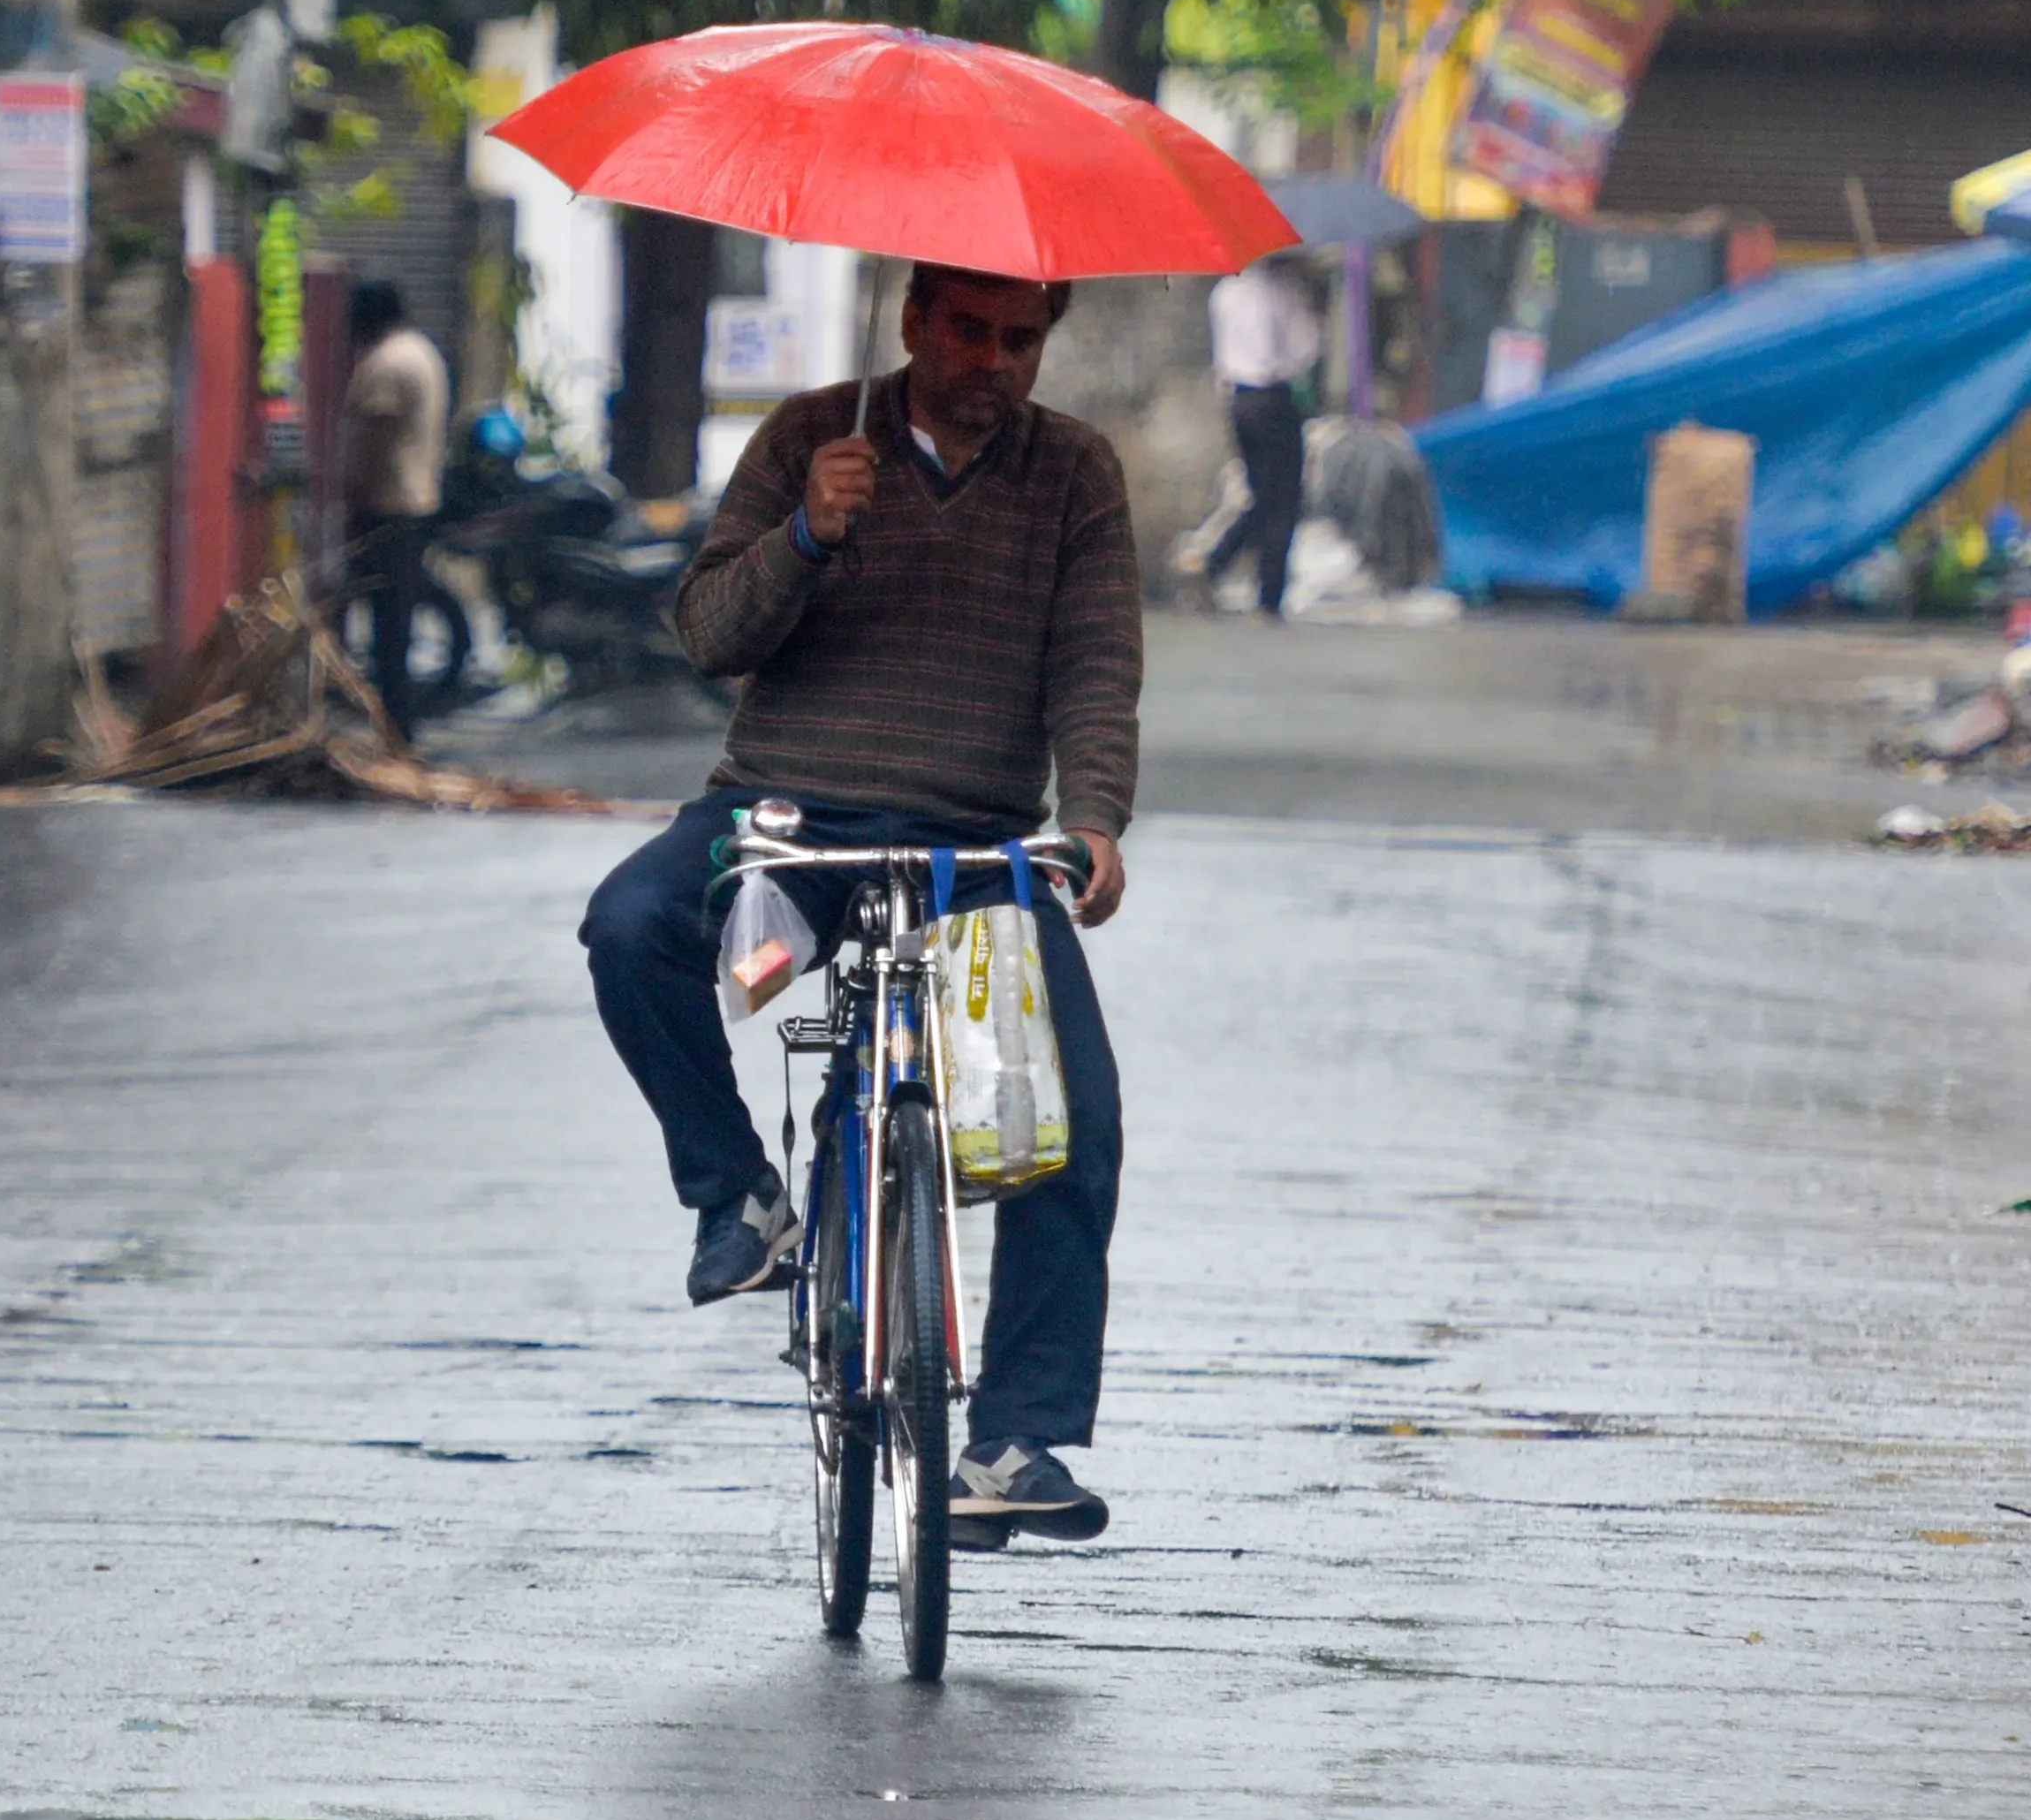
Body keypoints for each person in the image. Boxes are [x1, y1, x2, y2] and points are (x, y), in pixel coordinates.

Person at [577, 262, 1137, 1543]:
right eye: (968, 332)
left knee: (1076, 1120)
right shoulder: (806, 438)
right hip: (786, 818)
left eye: (1019, 339)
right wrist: (810, 536)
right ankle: (739, 1197)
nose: (991, 361)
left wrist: (1094, 818)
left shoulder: (1076, 475)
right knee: (630, 927)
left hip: (975, 852)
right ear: (913, 322)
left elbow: (1097, 665)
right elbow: (710, 632)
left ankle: (1013, 1440)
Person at [336, 278, 449, 736]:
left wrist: (351, 492)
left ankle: (393, 723)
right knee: (395, 622)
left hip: (386, 504)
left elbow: (376, 437)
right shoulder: (422, 351)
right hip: (417, 502)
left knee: (380, 623)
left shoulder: (385, 362)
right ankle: (398, 722)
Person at [1202, 250, 1322, 614]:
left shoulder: (1223, 292)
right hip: (1275, 398)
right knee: (1283, 498)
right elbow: (1305, 349)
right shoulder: (1285, 292)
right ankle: (1270, 591)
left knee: (1260, 495)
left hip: (1240, 401)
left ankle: (1216, 563)